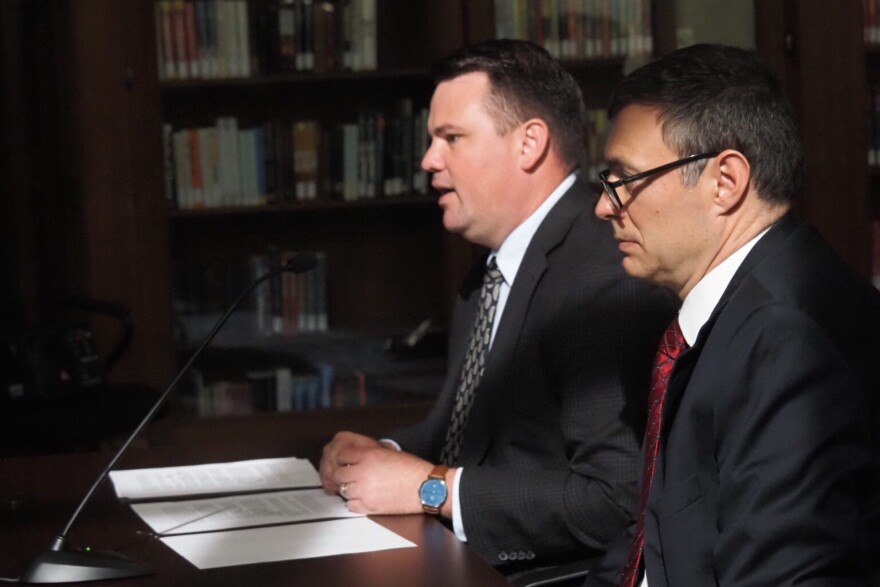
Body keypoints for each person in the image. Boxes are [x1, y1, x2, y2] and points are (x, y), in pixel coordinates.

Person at [319, 39, 678, 573]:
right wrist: (375, 454)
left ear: (529, 143)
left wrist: (429, 489)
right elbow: (464, 433)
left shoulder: (604, 273)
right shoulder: (491, 269)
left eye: (452, 138)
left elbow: (613, 497)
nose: (428, 161)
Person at [585, 43, 880, 587]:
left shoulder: (787, 338)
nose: (605, 205)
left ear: (725, 182)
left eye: (622, 179)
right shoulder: (725, 311)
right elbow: (648, 540)